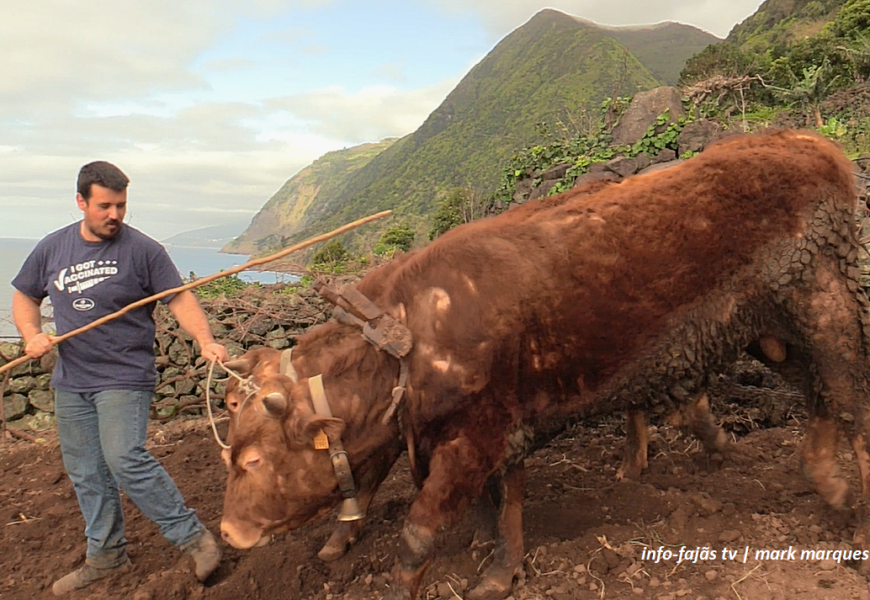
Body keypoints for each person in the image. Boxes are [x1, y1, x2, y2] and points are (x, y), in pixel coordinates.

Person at [11, 161, 230, 596]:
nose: (114, 214)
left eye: (121, 206)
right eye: (104, 206)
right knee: (86, 471)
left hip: (124, 374)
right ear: (81, 202)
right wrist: (32, 334)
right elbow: (23, 295)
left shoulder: (143, 251)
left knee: (124, 456)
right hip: (72, 379)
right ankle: (106, 555)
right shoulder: (52, 249)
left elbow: (179, 298)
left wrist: (206, 340)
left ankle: (195, 539)